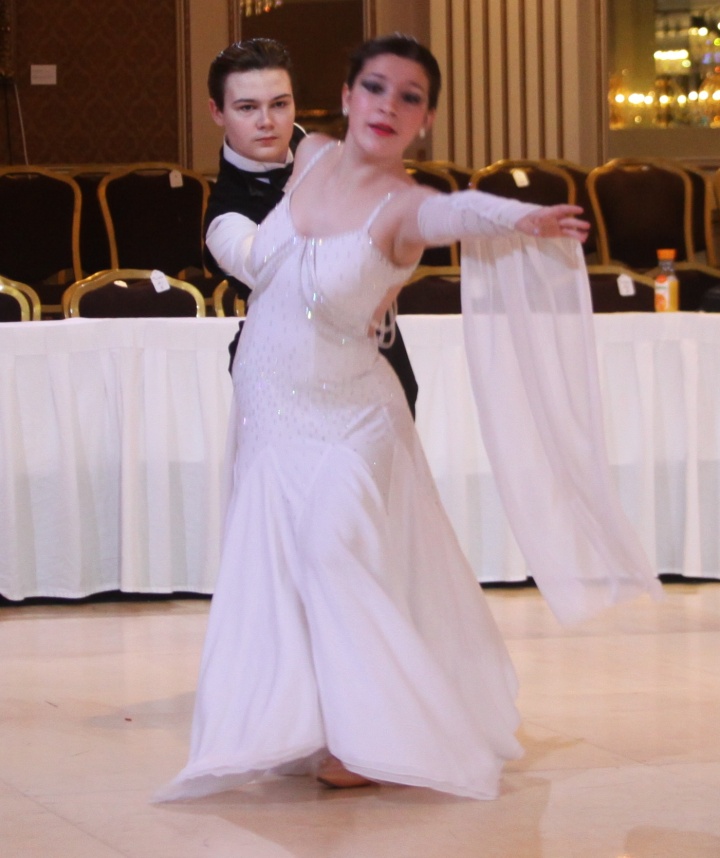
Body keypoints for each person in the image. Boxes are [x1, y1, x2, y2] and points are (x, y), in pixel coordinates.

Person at [157, 34, 659, 802]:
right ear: (348, 99)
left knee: (334, 546)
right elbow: (263, 252)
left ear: (424, 121)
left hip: (354, 407)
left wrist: (516, 217)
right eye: (375, 89)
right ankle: (321, 727)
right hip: (269, 400)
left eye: (411, 97)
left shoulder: (409, 206)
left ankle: (378, 731)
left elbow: (455, 211)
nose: (389, 106)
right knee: (287, 565)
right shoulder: (313, 156)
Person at [204, 37, 419, 416]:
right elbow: (283, 273)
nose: (266, 122)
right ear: (217, 112)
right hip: (289, 383)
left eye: (279, 105)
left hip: (382, 368)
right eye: (247, 107)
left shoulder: (334, 154)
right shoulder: (225, 218)